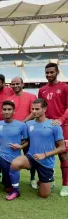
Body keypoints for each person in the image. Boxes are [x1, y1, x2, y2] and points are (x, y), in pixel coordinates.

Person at [10, 98, 65, 199]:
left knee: (44, 195)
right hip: (31, 157)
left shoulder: (54, 125)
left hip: (46, 161)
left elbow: (62, 148)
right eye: (32, 109)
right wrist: (21, 146)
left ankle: (46, 178)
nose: (34, 111)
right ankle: (15, 190)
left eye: (37, 109)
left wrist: (44, 155)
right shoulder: (29, 124)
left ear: (44, 109)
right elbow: (27, 140)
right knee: (15, 164)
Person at [0, 101, 28, 199]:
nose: (6, 112)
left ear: (14, 111)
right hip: (0, 155)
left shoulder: (21, 125)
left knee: (7, 188)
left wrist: (20, 146)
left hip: (13, 159)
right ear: (1, 111)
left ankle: (7, 179)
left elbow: (27, 141)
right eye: (4, 109)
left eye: (9, 109)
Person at [38, 63, 68, 197]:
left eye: (51, 72)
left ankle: (66, 185)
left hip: (63, 126)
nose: (49, 75)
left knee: (63, 155)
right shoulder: (42, 90)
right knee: (47, 154)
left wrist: (61, 119)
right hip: (46, 128)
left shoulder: (65, 87)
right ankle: (50, 180)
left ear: (57, 72)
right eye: (47, 72)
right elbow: (40, 109)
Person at [8, 76, 37, 188]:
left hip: (27, 132)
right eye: (13, 84)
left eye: (17, 83)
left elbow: (33, 112)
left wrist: (22, 122)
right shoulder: (10, 99)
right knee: (10, 155)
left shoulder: (31, 96)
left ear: (22, 84)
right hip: (13, 133)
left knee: (29, 155)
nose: (15, 86)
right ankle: (9, 177)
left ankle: (33, 178)